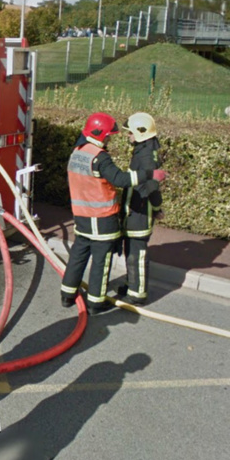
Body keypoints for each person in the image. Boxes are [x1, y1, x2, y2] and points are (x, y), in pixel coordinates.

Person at [60, 112, 164, 314]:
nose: (110, 138)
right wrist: (150, 175)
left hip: (81, 216)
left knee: (78, 255)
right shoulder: (100, 158)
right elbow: (121, 180)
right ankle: (95, 302)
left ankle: (67, 294)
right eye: (108, 135)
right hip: (102, 218)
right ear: (100, 134)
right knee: (101, 259)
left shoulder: (77, 152)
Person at [117, 113, 164, 306]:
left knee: (137, 252)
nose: (127, 136)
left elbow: (151, 186)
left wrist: (157, 207)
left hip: (140, 212)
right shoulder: (143, 150)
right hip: (134, 209)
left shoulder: (146, 157)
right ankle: (131, 284)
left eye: (130, 133)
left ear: (141, 133)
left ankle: (138, 293)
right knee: (131, 250)